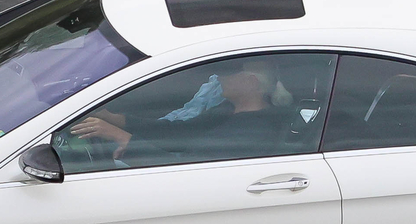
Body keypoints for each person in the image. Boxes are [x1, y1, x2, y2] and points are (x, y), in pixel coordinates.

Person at [67, 67, 297, 165]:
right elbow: (176, 132)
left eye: (227, 73)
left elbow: (186, 168)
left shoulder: (253, 132)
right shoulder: (226, 110)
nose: (218, 78)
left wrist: (122, 138)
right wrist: (114, 119)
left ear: (250, 82)